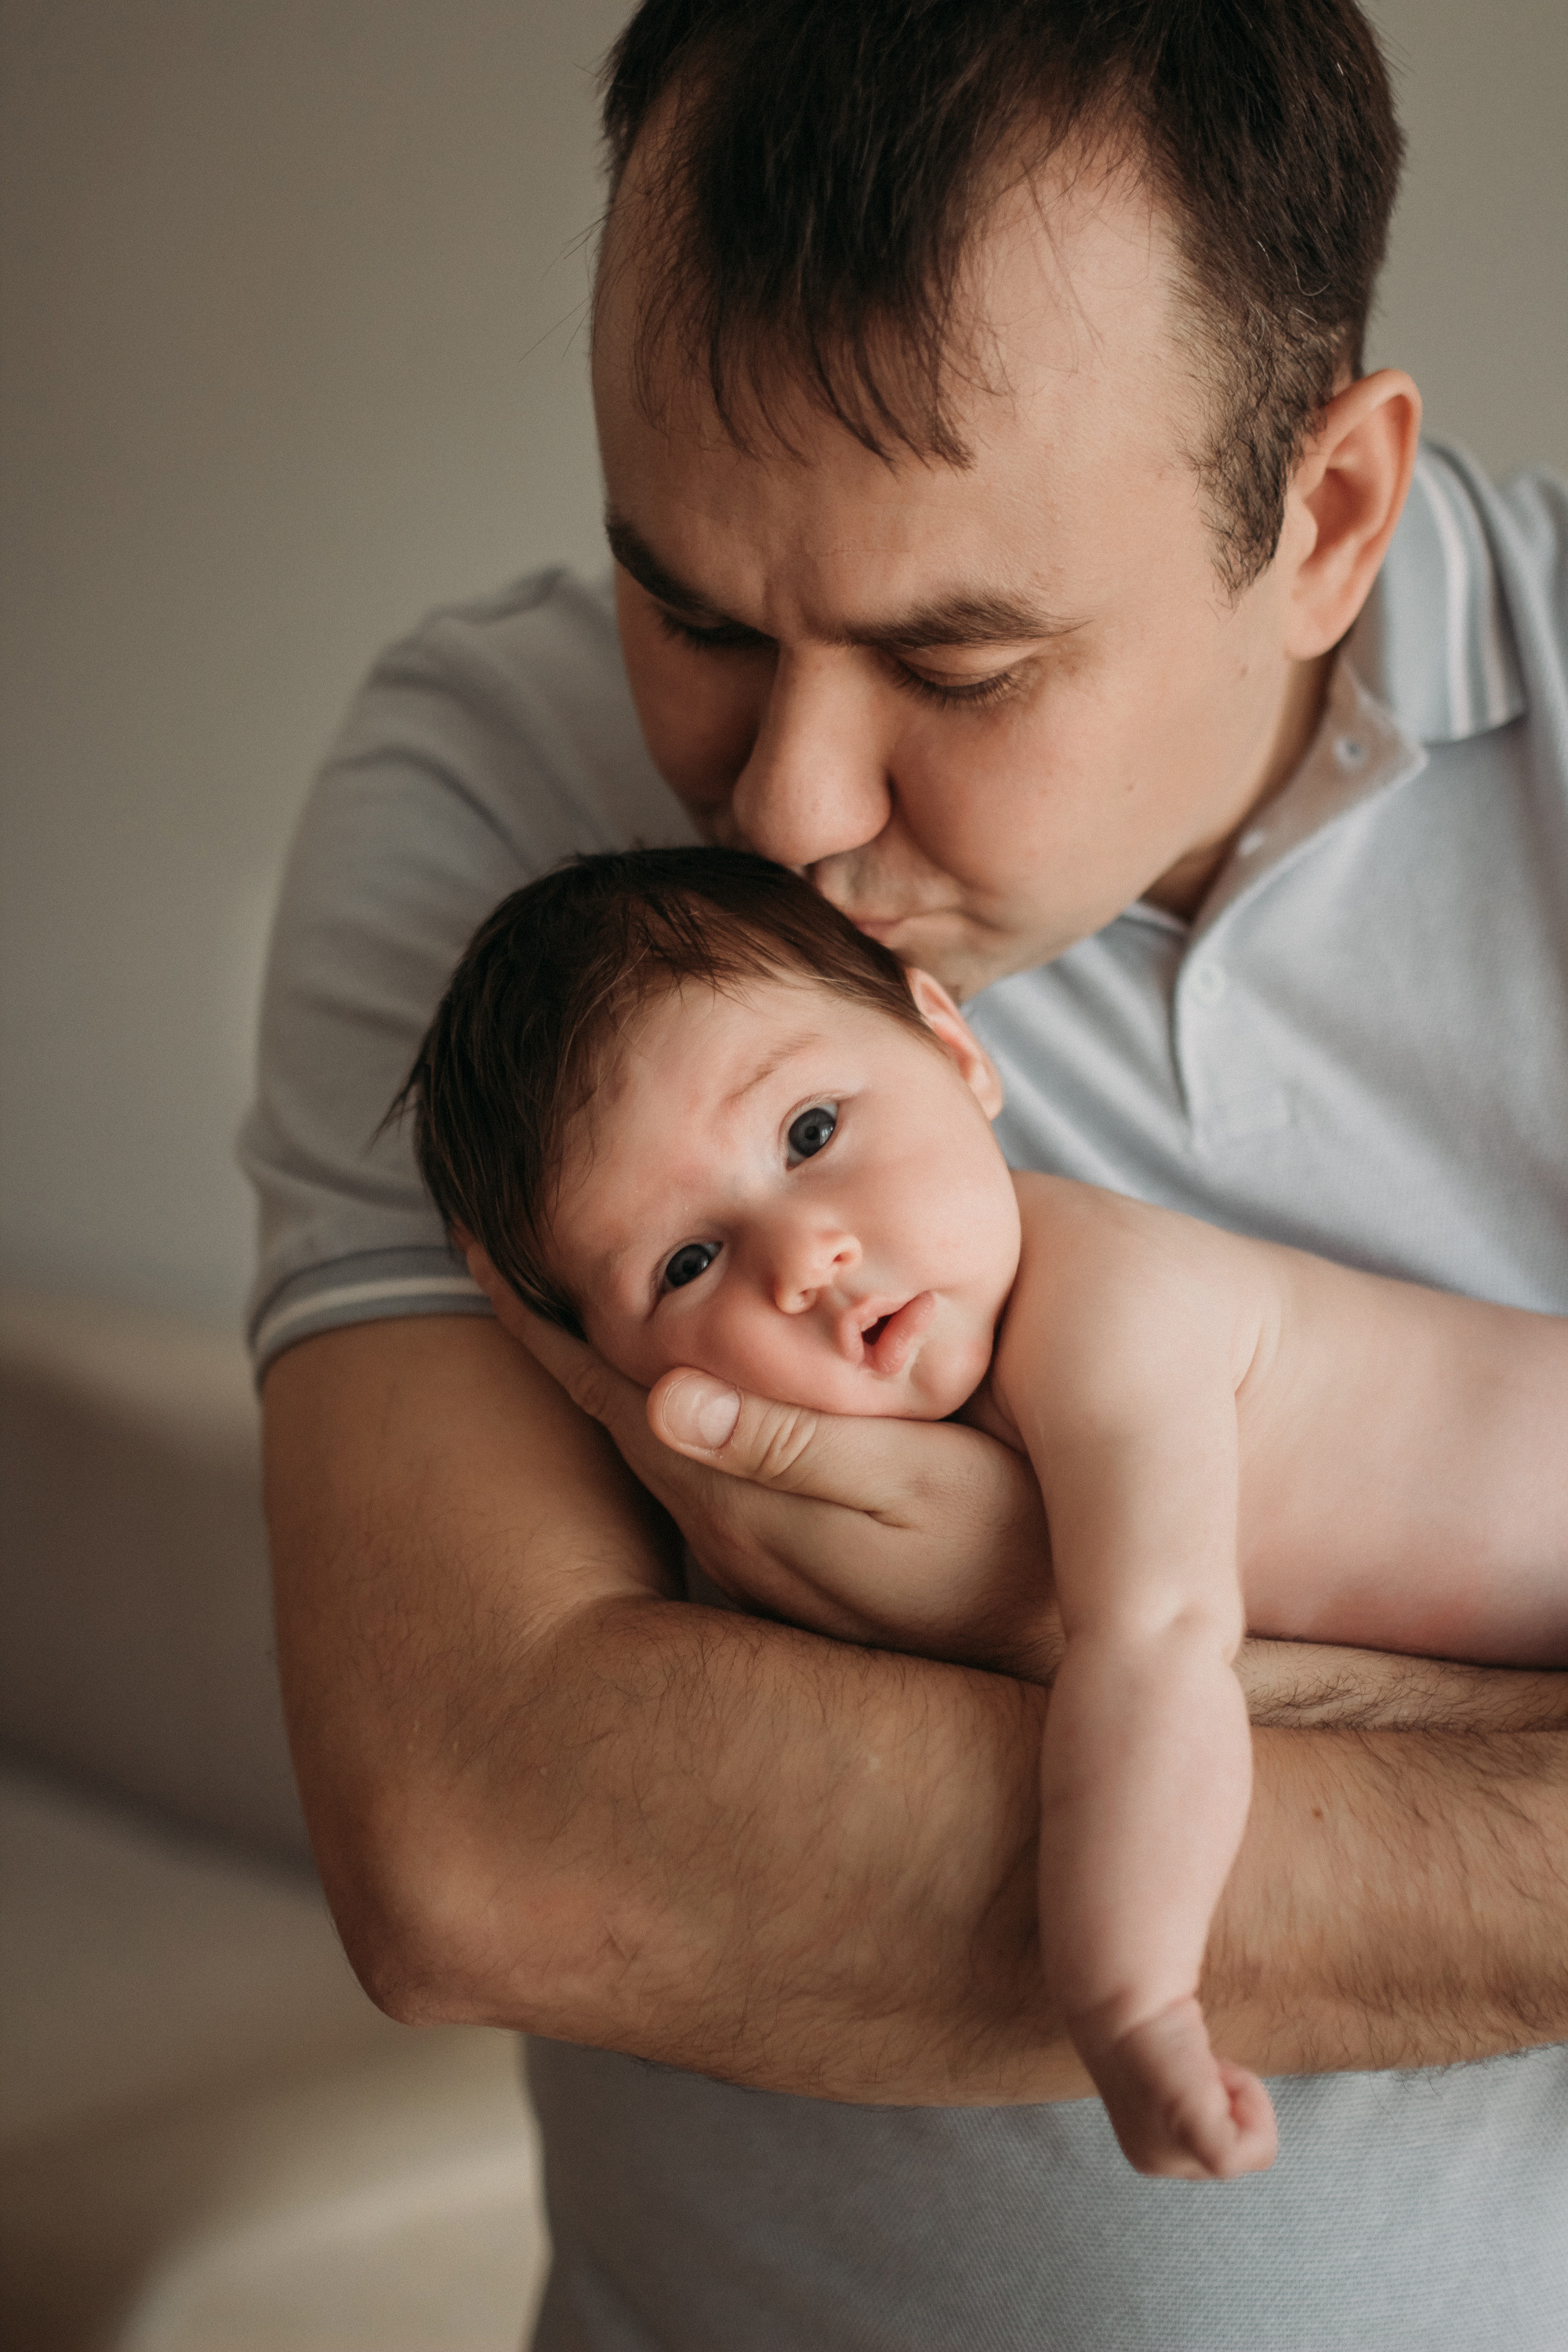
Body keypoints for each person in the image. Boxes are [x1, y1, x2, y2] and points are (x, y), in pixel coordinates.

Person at [245, 2, 1568, 2343]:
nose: (780, 812)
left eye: (958, 666)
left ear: (1327, 514)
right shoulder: (492, 792)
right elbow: (489, 1846)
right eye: (698, 613)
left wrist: (1023, 1609)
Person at [400, 843, 1567, 2184]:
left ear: (954, 1047)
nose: (805, 1258)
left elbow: (1157, 1641)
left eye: (811, 1133)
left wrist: (1133, 1998)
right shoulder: (824, 1479)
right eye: (687, 1262)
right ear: (613, 1363)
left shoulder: (1108, 1309)